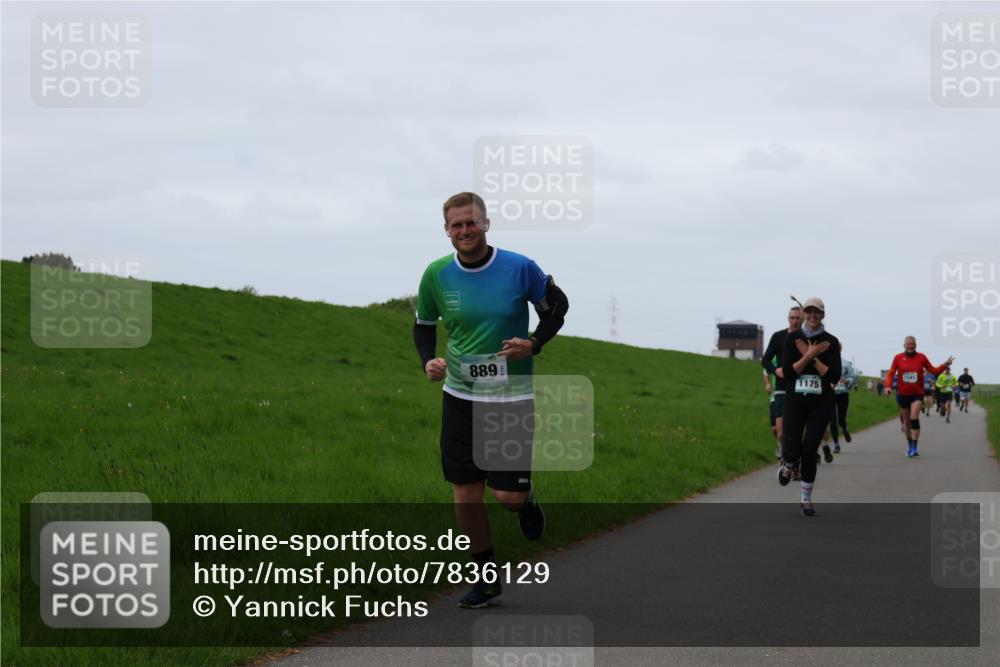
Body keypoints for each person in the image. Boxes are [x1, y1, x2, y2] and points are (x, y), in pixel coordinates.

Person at [413, 192, 568, 608]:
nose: (465, 230)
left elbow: (557, 308)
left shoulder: (519, 268)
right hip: (460, 395)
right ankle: (486, 579)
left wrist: (533, 343)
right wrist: (429, 361)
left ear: (486, 224)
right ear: (446, 230)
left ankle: (526, 499)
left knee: (507, 498)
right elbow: (423, 325)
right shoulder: (436, 274)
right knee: (465, 493)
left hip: (510, 396)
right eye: (456, 225)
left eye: (471, 222)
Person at [776, 297, 841, 517]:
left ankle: (806, 499)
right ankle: (788, 464)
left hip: (821, 403)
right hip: (795, 402)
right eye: (809, 311)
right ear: (804, 314)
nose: (813, 316)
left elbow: (833, 376)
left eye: (817, 312)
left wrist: (811, 358)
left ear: (823, 315)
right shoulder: (793, 338)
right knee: (793, 447)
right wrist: (810, 354)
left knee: (809, 450)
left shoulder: (831, 341)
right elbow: (788, 372)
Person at [884, 336, 954, 457]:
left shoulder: (921, 357)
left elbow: (933, 370)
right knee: (906, 422)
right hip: (903, 394)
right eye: (908, 344)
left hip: (917, 393)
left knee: (914, 418)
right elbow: (891, 373)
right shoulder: (898, 357)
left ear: (916, 345)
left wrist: (945, 365)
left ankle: (915, 446)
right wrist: (887, 386)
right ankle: (910, 445)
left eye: (912, 344)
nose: (910, 346)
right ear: (904, 345)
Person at [761, 306, 803, 462]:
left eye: (798, 318)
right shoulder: (778, 336)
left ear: (803, 319)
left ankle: (793, 461)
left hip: (800, 388)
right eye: (792, 318)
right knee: (780, 433)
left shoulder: (807, 337)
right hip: (781, 388)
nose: (795, 321)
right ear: (788, 319)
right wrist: (775, 370)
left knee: (797, 431)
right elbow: (765, 360)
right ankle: (787, 457)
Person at [829, 352, 856, 453]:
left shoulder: (846, 363)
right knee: (832, 420)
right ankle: (836, 445)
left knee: (841, 419)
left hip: (843, 394)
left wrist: (847, 381)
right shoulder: (826, 361)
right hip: (830, 394)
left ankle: (844, 429)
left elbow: (853, 377)